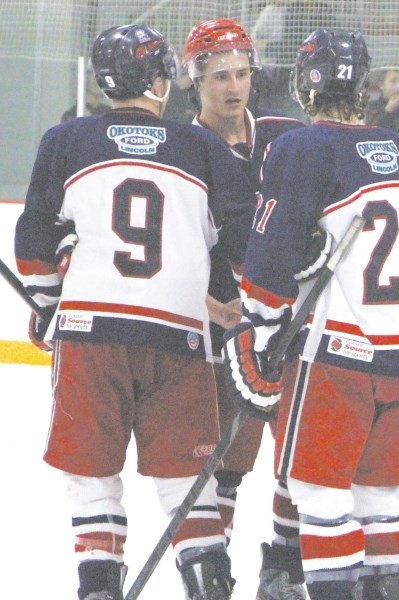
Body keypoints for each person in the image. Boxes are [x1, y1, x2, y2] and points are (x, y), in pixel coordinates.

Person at [15, 23, 256, 600]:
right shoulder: (202, 147)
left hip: (91, 336)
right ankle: (208, 586)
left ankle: (99, 587)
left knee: (92, 478)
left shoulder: (65, 140)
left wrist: (48, 301)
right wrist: (242, 303)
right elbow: (246, 244)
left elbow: (32, 248)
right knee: (187, 485)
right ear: (158, 79)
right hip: (179, 337)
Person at [222, 28, 399, 600]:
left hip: (335, 358)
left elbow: (268, 263)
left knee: (320, 497)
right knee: (380, 502)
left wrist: (262, 321)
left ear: (308, 81)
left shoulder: (299, 147)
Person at [181, 18, 309, 600]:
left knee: (300, 452)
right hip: (221, 329)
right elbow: (177, 245)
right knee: (226, 461)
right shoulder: (181, 148)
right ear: (195, 82)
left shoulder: (285, 133)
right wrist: (209, 302)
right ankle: (215, 570)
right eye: (218, 76)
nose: (233, 87)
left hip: (290, 323)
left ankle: (283, 564)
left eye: (241, 74)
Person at [365, 69, 399, 134]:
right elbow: (370, 131)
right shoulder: (371, 106)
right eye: (393, 81)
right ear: (381, 85)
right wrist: (388, 111)